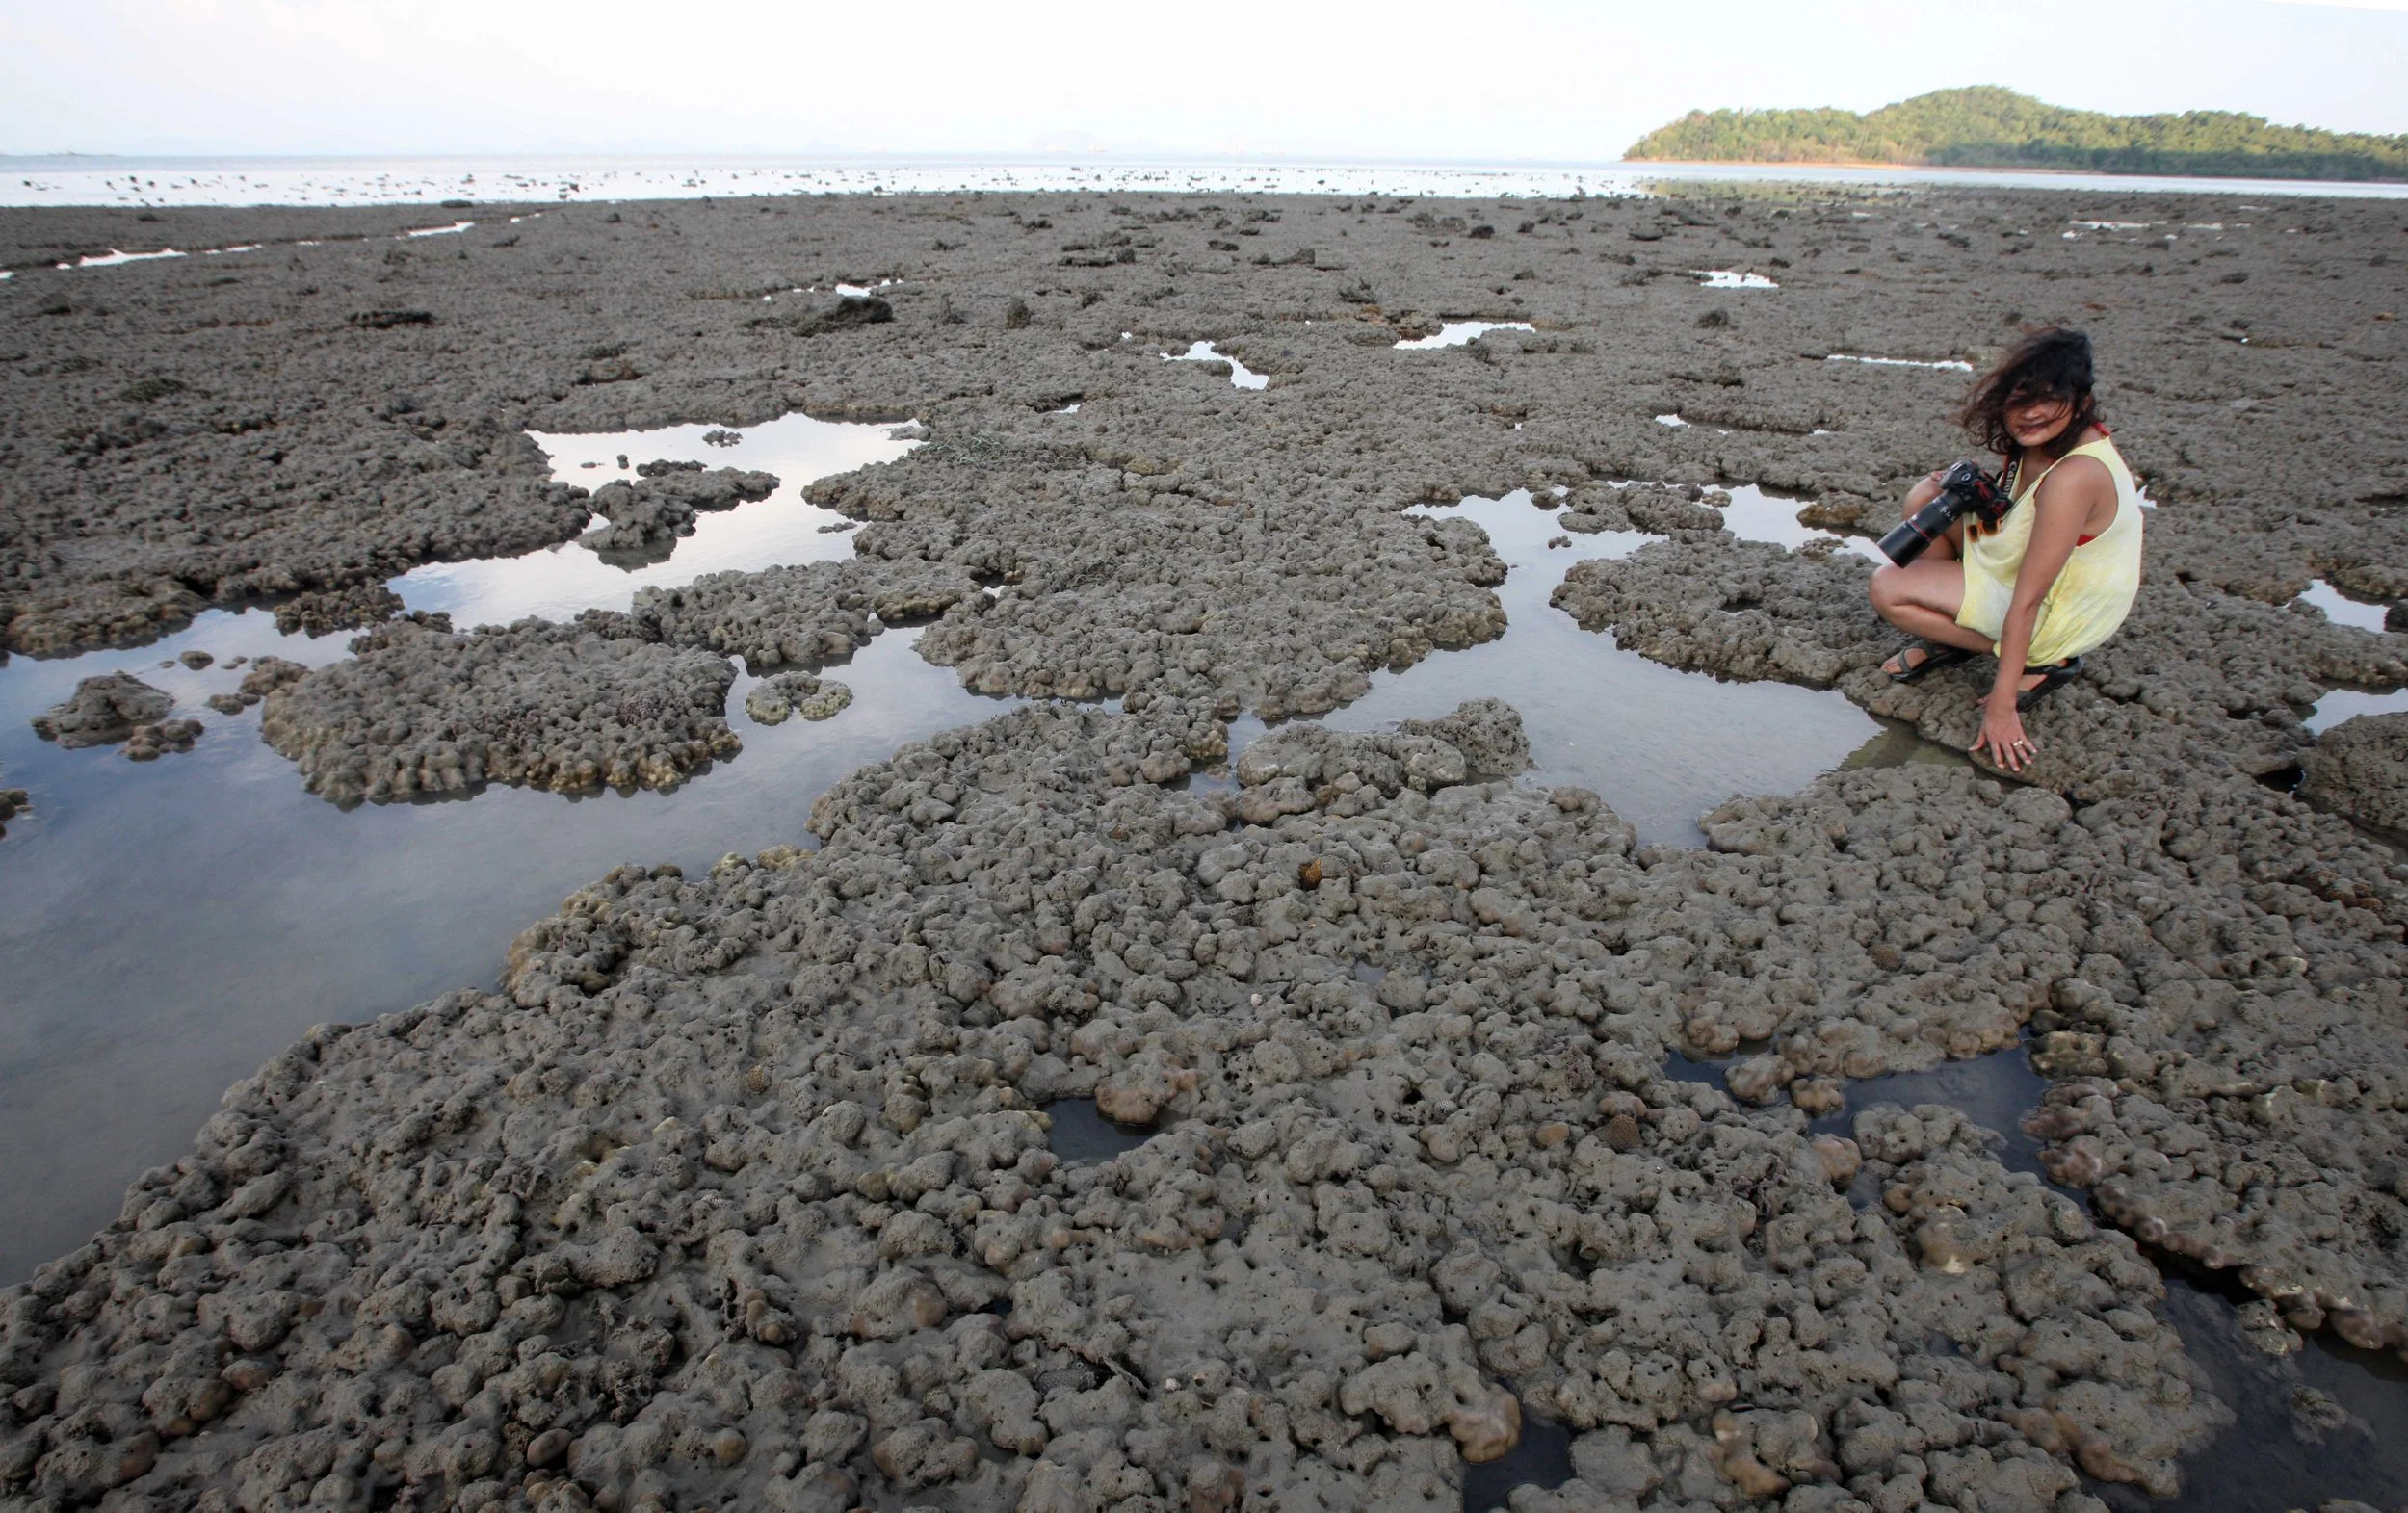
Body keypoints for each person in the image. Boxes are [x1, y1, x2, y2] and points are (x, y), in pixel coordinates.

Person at [1868, 327, 2144, 774]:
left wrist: (2002, 704)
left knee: (1888, 588)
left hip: (2061, 608)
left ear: (2082, 402)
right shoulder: (2039, 443)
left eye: (2048, 399)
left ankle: (2044, 661)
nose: (2030, 414)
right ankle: (1952, 637)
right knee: (1927, 497)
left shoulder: (2075, 476)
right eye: (2019, 400)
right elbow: (2018, 514)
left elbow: (2030, 597)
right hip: (2025, 569)